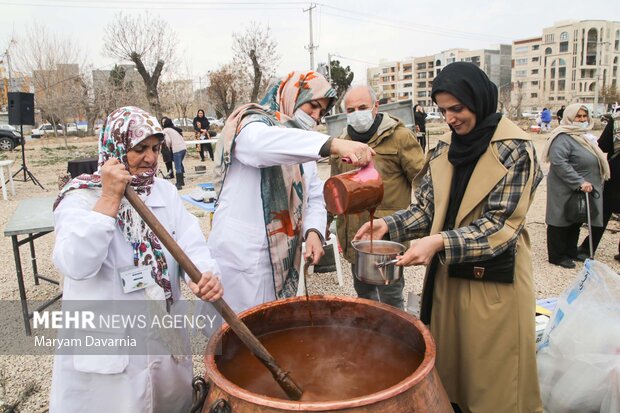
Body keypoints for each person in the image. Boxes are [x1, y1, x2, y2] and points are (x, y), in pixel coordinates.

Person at [354, 62, 544, 412]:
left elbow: (501, 225)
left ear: (480, 99)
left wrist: (439, 242)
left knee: (494, 383)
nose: (450, 118)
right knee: (450, 377)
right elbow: (427, 210)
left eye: (457, 108)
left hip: (494, 283)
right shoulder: (443, 148)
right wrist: (389, 225)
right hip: (448, 280)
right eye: (442, 110)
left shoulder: (516, 149)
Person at [50, 106, 223, 412]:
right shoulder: (80, 198)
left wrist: (204, 275)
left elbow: (191, 243)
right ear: (115, 148)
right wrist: (109, 199)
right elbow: (75, 264)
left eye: (156, 149)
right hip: (111, 349)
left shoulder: (164, 192)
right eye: (139, 148)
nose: (151, 158)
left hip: (162, 337)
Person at [208, 71, 374, 314]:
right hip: (240, 253)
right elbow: (259, 147)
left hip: (280, 254)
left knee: (269, 325)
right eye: (313, 106)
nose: (315, 117)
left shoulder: (301, 142)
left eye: (322, 113)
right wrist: (333, 144)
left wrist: (314, 232)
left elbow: (314, 195)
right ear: (292, 95)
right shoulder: (252, 123)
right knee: (232, 334)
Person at [329, 85, 424, 309]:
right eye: (351, 110)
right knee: (364, 300)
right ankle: (369, 341)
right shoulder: (341, 144)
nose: (357, 113)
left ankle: (396, 343)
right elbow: (335, 192)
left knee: (390, 300)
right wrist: (324, 223)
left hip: (387, 241)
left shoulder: (400, 138)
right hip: (355, 240)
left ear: (375, 107)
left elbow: (423, 182)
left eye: (362, 107)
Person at [544, 103, 610, 268]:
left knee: (576, 218)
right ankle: (557, 256)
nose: (581, 119)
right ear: (569, 117)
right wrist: (579, 181)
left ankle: (570, 251)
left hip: (584, 188)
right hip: (565, 186)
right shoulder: (562, 137)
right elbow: (559, 162)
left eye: (584, 116)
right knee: (560, 219)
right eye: (578, 116)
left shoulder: (584, 136)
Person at [579, 108, 620, 261]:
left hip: (617, 172)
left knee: (604, 211)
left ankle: (587, 248)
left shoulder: (617, 119)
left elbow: (603, 145)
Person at [162, 117, 188, 190]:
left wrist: (167, 147)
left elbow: (168, 140)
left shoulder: (165, 130)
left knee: (177, 167)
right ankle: (182, 181)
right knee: (179, 164)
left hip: (177, 149)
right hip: (183, 148)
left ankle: (179, 184)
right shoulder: (174, 129)